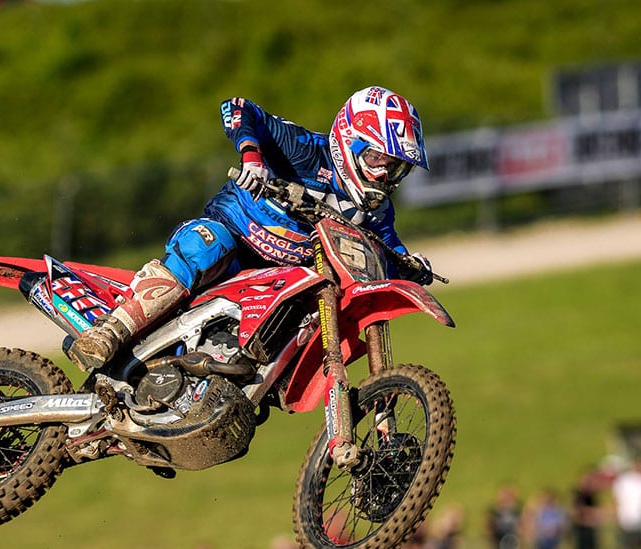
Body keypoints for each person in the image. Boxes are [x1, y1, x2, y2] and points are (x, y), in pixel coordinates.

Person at [68, 86, 435, 370]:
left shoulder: (377, 212)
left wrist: (409, 267)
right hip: (233, 235)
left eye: (395, 166)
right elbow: (238, 107)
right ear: (349, 141)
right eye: (376, 159)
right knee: (204, 247)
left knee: (309, 314)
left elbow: (385, 248)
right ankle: (108, 332)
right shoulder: (305, 149)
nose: (383, 173)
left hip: (282, 276)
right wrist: (252, 157)